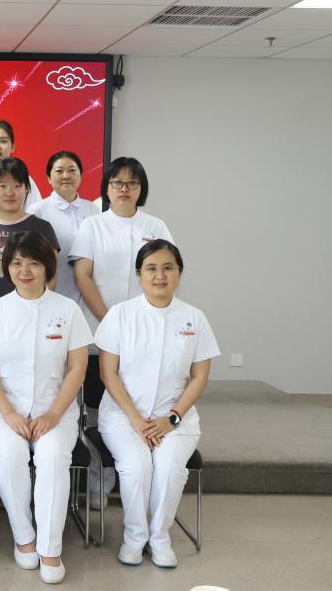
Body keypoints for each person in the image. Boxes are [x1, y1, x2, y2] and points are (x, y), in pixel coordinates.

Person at [0, 231, 91, 585]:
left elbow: (77, 368)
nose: (24, 271)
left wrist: (54, 413)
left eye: (33, 263)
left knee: (53, 457)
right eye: (16, 263)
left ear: (47, 267)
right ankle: (24, 537)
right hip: (3, 410)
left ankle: (51, 548)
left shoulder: (68, 310)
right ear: (6, 267)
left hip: (55, 410)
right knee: (9, 455)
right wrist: (10, 414)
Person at [96, 240, 218, 569]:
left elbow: (200, 377)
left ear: (179, 273)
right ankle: (135, 538)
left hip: (176, 418)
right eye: (151, 268)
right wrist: (136, 420)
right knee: (136, 467)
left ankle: (160, 538)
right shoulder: (120, 315)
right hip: (124, 416)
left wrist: (171, 419)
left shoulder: (194, 318)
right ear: (139, 274)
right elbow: (108, 373)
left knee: (169, 469)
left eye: (168, 268)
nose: (160, 275)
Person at [69, 157, 174, 509]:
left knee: (143, 405)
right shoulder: (92, 225)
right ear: (107, 188)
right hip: (99, 332)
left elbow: (165, 273)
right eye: (117, 183)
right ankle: (99, 482)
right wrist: (111, 319)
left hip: (146, 337)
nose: (124, 189)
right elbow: (82, 276)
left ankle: (141, 478)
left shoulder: (156, 225)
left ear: (141, 189)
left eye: (132, 183)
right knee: (97, 413)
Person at [0, 157, 59, 311]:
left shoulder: (42, 228)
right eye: (2, 186)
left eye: (17, 186)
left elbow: (51, 277)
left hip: (35, 313)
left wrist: (37, 311)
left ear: (27, 188)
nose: (9, 192)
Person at [26, 150, 99, 305]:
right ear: (48, 178)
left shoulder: (92, 209)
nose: (66, 176)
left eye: (72, 170)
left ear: (81, 175)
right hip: (50, 294)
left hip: (87, 297)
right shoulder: (37, 210)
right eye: (59, 171)